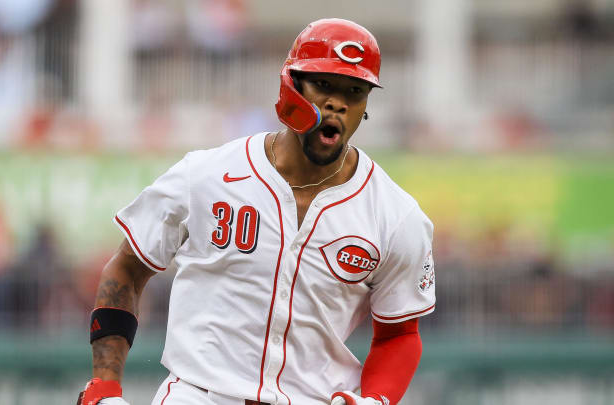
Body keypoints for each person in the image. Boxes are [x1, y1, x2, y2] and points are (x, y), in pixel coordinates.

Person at [77, 18, 435, 405]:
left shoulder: (396, 215)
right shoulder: (206, 175)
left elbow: (399, 332)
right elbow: (127, 270)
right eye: (324, 85)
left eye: (354, 90)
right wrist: (105, 385)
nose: (337, 103)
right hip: (201, 395)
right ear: (291, 85)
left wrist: (377, 399)